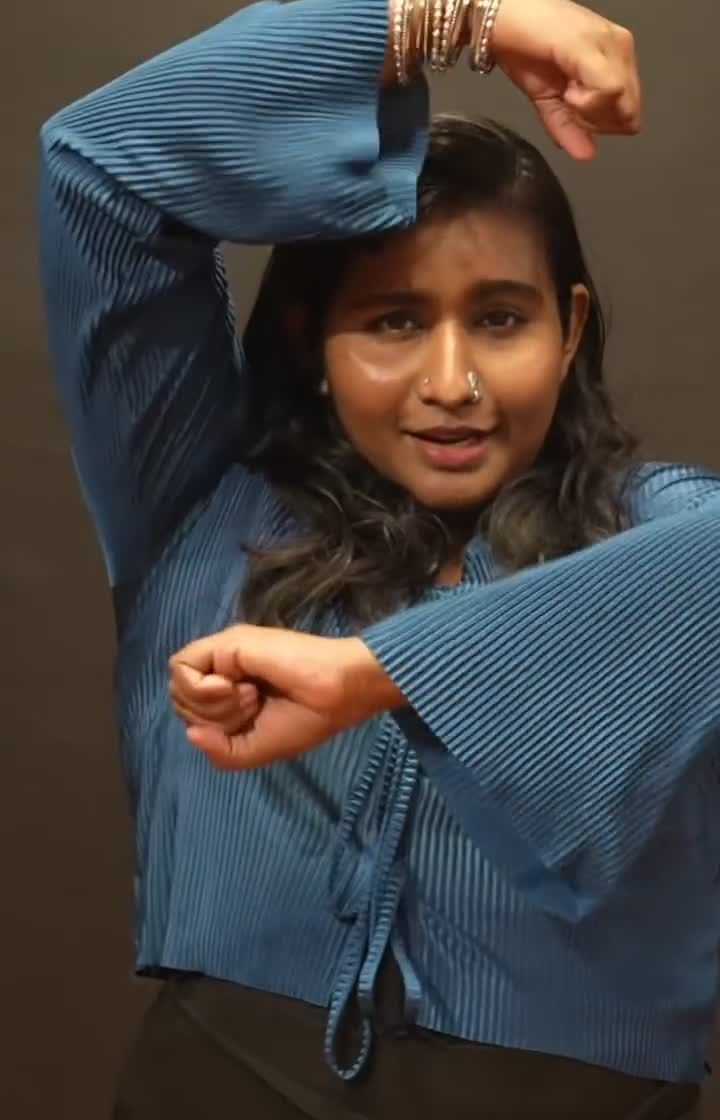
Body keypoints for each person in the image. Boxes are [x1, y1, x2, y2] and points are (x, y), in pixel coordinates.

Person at [38, 0, 719, 1116]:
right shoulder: (201, 506)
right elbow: (98, 166)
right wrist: (454, 19)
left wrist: (373, 675)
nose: (452, 382)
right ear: (310, 340)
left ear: (570, 327)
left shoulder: (659, 528)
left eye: (500, 319)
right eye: (395, 322)